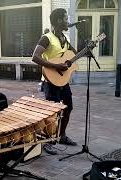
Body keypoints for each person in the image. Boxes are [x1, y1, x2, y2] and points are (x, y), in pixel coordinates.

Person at [32, 8, 77, 155]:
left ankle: (61, 135)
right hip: (50, 80)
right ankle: (47, 141)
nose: (67, 21)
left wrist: (88, 48)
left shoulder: (65, 39)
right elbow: (35, 57)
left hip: (63, 80)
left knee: (68, 107)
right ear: (58, 20)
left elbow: (73, 55)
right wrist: (56, 66)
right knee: (51, 113)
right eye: (65, 18)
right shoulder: (47, 38)